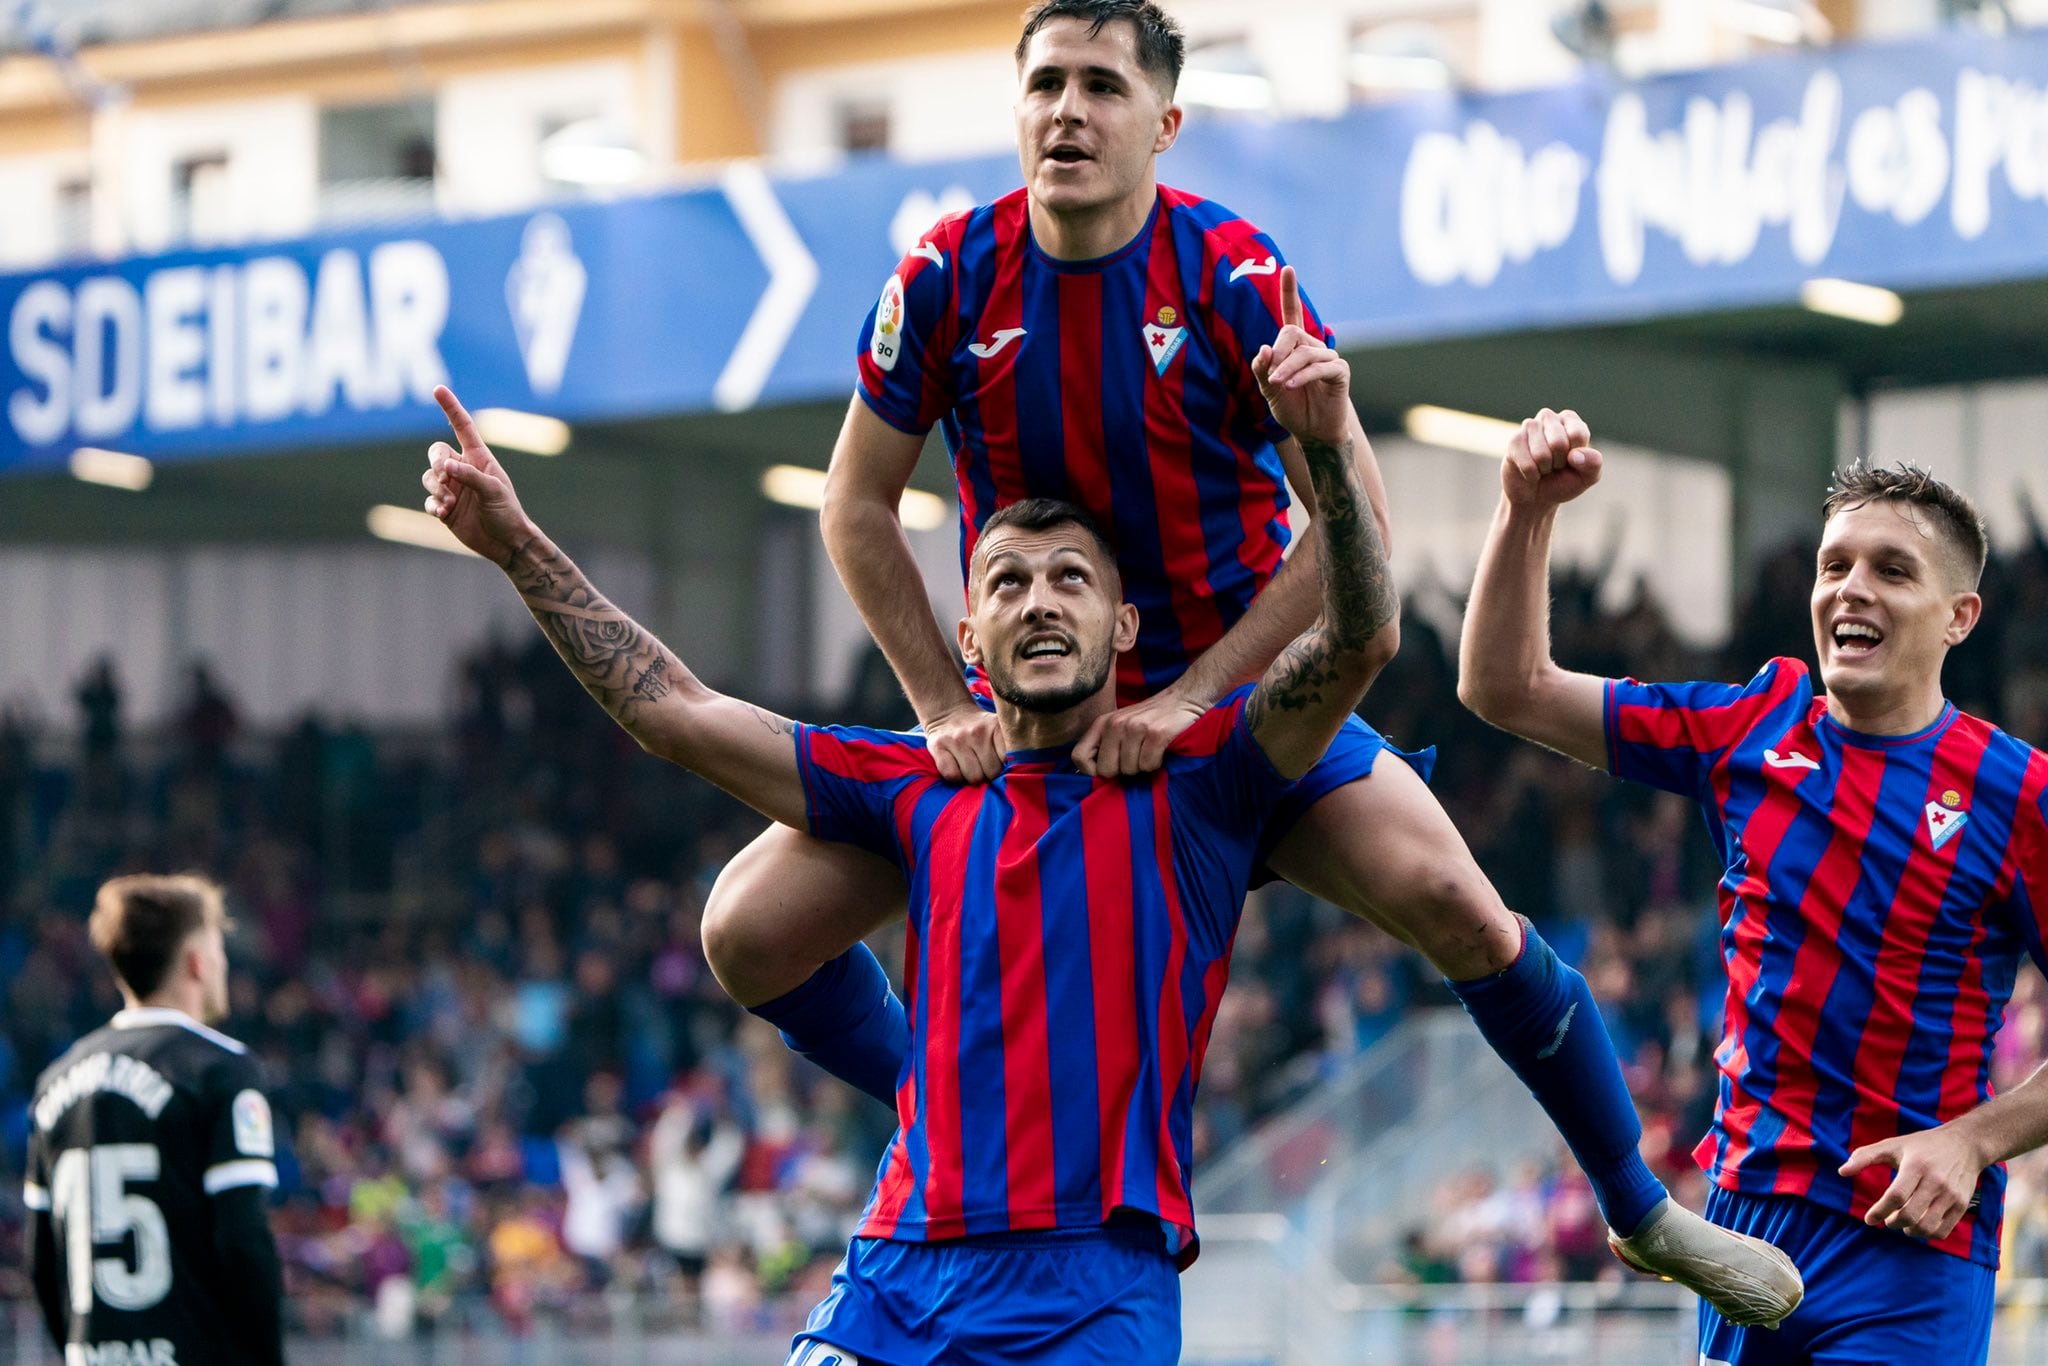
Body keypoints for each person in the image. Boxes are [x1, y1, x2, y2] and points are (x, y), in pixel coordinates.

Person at [696, 0, 1799, 1321]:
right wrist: (941, 699)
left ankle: (1642, 1207)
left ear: (1163, 122)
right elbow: (854, 504)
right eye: (1046, 81)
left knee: (1458, 902)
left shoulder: (1229, 272)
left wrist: (1190, 698)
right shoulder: (942, 276)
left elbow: (1358, 541)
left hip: (1247, 712)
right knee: (744, 929)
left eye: (1103, 86)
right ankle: (944, 1114)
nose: (1068, 110)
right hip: (1046, 728)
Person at [419, 300, 1391, 1359]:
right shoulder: (916, 788)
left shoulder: (1203, 783)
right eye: (1008, 581)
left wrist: (1328, 449)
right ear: (969, 631)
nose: (1039, 602)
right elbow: (676, 712)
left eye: (1071, 577)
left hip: (1093, 1288)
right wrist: (516, 545)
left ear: (1124, 627)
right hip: (895, 1271)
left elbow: (1357, 639)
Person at [1458, 410, 2048, 1363]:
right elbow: (1505, 686)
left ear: (1960, 616)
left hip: (1913, 1251)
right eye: (1835, 565)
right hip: (1741, 1237)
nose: (1851, 588)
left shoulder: (2019, 794)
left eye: (1892, 570)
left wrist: (1975, 1140)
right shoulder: (1749, 725)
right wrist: (1524, 510)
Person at [23, 874, 286, 1366]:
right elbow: (244, 1241)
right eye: (219, 948)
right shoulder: (221, 1070)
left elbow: (41, 1260)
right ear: (197, 962)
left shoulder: (55, 1082)